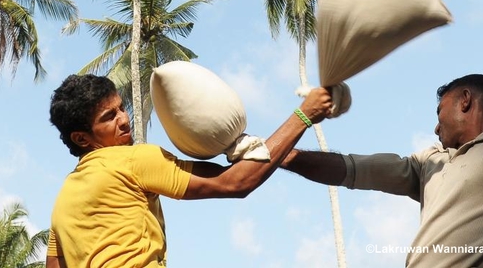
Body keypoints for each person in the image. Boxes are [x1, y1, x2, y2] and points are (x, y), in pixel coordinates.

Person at [281, 74, 483, 268]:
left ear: (465, 101)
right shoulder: (428, 162)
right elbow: (351, 169)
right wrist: (280, 154)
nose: (436, 126)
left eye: (440, 111)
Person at [45, 74, 332, 268]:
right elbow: (236, 183)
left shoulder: (63, 202)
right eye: (109, 117)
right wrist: (304, 115)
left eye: (121, 108)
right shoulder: (134, 160)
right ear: (82, 138)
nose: (124, 120)